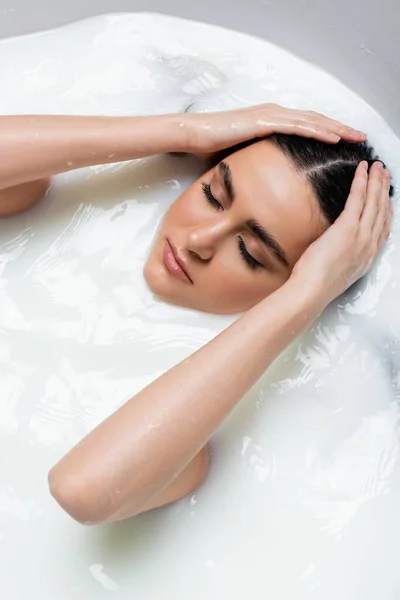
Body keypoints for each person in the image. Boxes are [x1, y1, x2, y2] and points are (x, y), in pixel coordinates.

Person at [0, 104, 393, 524]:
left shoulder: (196, 430)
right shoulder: (46, 203)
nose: (199, 240)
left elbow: (83, 489)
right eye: (213, 195)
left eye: (251, 253)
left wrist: (306, 296)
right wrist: (185, 131)